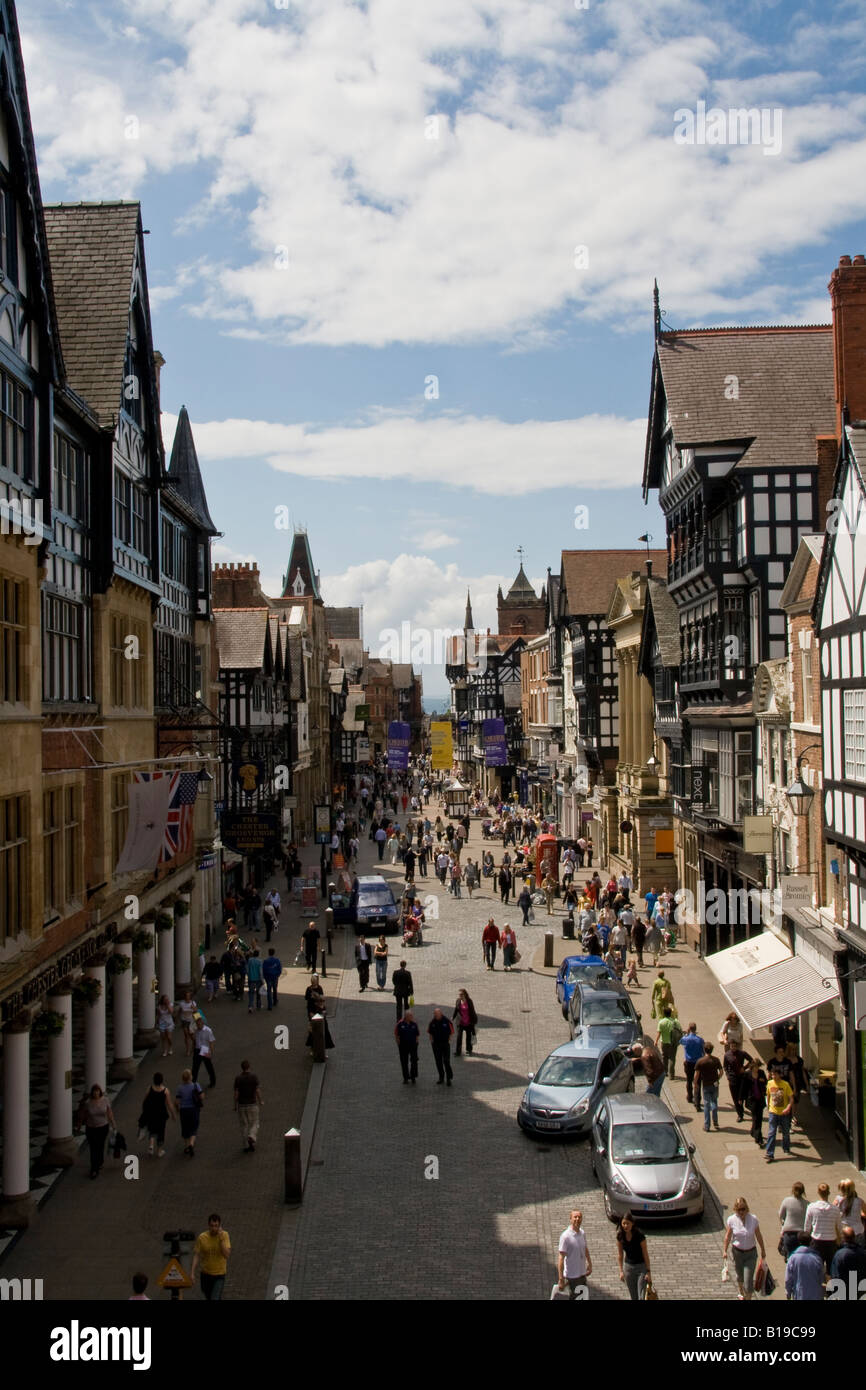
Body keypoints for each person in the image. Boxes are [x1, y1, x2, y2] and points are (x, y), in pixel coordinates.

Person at [722, 1197, 766, 1301]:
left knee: (748, 1280)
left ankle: (748, 1297)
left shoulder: (753, 1219)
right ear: (735, 1209)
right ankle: (741, 1291)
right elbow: (728, 1236)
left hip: (750, 1253)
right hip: (737, 1253)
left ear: (747, 1208)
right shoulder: (732, 1220)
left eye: (743, 1209)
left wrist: (763, 1249)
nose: (741, 1212)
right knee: (740, 1276)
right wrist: (724, 1250)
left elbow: (758, 1235)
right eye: (739, 1209)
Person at [77, 1083, 115, 1180]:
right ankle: (94, 1169)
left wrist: (113, 1123)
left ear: (100, 1092)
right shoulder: (88, 1103)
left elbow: (109, 1113)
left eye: (97, 1091)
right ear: (92, 1093)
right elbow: (83, 1114)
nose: (96, 1093)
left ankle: (100, 1161)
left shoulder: (105, 1100)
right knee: (93, 1148)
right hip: (91, 1128)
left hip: (103, 1127)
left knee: (100, 1145)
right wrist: (79, 1124)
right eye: (94, 1091)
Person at [191, 1214, 231, 1301]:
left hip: (219, 1275)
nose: (214, 1228)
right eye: (212, 1226)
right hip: (206, 1275)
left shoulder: (224, 1235)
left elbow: (227, 1255)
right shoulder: (202, 1237)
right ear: (208, 1225)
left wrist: (221, 1240)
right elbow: (197, 1255)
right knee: (209, 1297)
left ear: (220, 1226)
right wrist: (192, 1273)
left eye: (216, 1226)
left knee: (214, 1298)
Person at [804, 1182, 843, 1272]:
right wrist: (840, 1240)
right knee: (831, 1268)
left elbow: (807, 1227)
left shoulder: (811, 1207)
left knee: (817, 1268)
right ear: (828, 1193)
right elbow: (839, 1227)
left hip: (817, 1240)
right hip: (831, 1242)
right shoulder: (835, 1209)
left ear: (818, 1192)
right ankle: (830, 1283)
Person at [557, 1209, 592, 1300]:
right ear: (570, 1219)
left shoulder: (582, 1233)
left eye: (579, 1217)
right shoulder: (565, 1236)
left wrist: (590, 1263)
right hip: (572, 1276)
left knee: (583, 1297)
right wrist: (561, 1279)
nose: (577, 1219)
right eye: (575, 1217)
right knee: (574, 1297)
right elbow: (561, 1258)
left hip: (582, 1273)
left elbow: (585, 1248)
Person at [140, 1071, 176, 1158]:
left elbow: (145, 1100)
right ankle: (159, 1151)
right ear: (162, 1080)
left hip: (151, 1112)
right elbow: (169, 1104)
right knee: (161, 1131)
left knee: (152, 1129)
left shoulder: (150, 1088)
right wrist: (173, 1114)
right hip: (161, 1114)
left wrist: (144, 1110)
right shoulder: (165, 1091)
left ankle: (151, 1146)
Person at [616, 1215, 651, 1301]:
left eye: (627, 1223)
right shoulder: (620, 1236)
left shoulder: (639, 1235)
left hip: (641, 1267)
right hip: (628, 1268)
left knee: (641, 1296)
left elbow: (645, 1253)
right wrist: (621, 1271)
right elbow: (620, 1255)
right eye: (623, 1223)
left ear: (632, 1223)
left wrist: (648, 1272)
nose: (625, 1226)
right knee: (633, 1296)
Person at [784, 1234, 826, 1301]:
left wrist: (788, 1292)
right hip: (816, 1295)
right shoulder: (817, 1259)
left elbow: (788, 1279)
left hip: (800, 1294)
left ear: (799, 1243)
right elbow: (821, 1278)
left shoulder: (793, 1258)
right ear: (810, 1243)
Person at [234, 1059, 263, 1154]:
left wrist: (235, 1105)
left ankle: (246, 1145)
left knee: (244, 1125)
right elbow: (257, 1090)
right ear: (249, 1067)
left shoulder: (238, 1078)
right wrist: (260, 1100)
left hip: (242, 1105)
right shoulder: (254, 1077)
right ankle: (252, 1136)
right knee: (255, 1123)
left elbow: (236, 1093)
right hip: (252, 1103)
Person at [739, 1056, 768, 1148]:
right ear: (752, 1066)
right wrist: (740, 1098)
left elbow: (766, 1082)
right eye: (755, 1066)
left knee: (758, 1118)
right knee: (756, 1118)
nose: (756, 1068)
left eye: (758, 1066)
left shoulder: (761, 1073)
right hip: (752, 1099)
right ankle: (759, 1138)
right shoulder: (747, 1074)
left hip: (760, 1099)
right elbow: (743, 1087)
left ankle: (753, 1131)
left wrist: (762, 1081)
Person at [765, 1072, 794, 1162]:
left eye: (775, 1074)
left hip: (784, 1113)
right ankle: (769, 1154)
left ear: (779, 1075)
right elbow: (768, 1095)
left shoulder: (785, 1084)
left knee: (785, 1132)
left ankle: (786, 1147)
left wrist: (788, 1108)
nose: (773, 1076)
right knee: (771, 1133)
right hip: (773, 1113)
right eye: (772, 1075)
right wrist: (769, 1107)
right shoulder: (770, 1083)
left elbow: (791, 1098)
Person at [694, 1042, 723, 1131]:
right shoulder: (716, 1060)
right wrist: (717, 1078)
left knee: (706, 1105)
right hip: (715, 1084)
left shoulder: (700, 1061)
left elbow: (697, 1075)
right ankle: (716, 1122)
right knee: (714, 1101)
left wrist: (695, 1084)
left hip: (706, 1085)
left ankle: (707, 1125)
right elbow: (721, 1072)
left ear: (704, 1050)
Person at [176, 1067, 204, 1157]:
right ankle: (192, 1143)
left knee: (185, 1128)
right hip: (194, 1109)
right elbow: (202, 1096)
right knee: (194, 1127)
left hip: (184, 1110)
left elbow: (177, 1101)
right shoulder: (196, 1085)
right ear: (190, 1077)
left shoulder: (180, 1088)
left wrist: (177, 1108)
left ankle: (187, 1146)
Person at [778, 1182, 808, 1262]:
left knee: (790, 1258)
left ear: (792, 1190)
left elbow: (780, 1215)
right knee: (801, 1259)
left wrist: (783, 1223)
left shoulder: (786, 1201)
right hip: (801, 1235)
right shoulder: (807, 1204)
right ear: (803, 1192)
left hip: (789, 1234)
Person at [723, 1043, 752, 1122]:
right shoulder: (727, 1055)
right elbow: (725, 1066)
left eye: (735, 1046)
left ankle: (744, 1106)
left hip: (742, 1077)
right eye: (732, 1046)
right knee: (735, 1097)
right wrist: (728, 1075)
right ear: (730, 1046)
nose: (733, 1048)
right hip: (733, 1078)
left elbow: (751, 1060)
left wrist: (744, 1068)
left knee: (743, 1095)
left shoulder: (742, 1053)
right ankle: (740, 1114)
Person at [679, 1023, 705, 1106]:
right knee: (697, 1082)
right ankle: (697, 1099)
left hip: (689, 1062)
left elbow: (680, 1041)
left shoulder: (686, 1039)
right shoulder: (700, 1039)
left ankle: (690, 1096)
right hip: (698, 1062)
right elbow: (703, 1051)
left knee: (689, 1080)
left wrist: (686, 1034)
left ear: (689, 1028)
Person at [834, 1179, 866, 1243]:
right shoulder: (860, 1201)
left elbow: (833, 1211)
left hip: (843, 1230)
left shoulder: (838, 1199)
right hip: (857, 1231)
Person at [428, 1007, 454, 1085]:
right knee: (438, 1061)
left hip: (445, 1044)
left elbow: (452, 1032)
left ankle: (449, 1078)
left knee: (446, 1061)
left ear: (441, 1014)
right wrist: (432, 1042)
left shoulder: (446, 1021)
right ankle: (441, 1077)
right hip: (436, 1044)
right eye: (435, 1015)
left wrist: (449, 1040)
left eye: (437, 1015)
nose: (436, 1016)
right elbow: (430, 1032)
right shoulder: (432, 1022)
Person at [654, 1006, 680, 1079]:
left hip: (664, 1042)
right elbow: (680, 1031)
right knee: (672, 1058)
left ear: (664, 1013)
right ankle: (671, 1075)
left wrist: (656, 1041)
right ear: (671, 1013)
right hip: (673, 1042)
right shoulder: (675, 1021)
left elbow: (659, 1033)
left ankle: (665, 1072)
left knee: (664, 1057)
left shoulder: (661, 1022)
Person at [395, 1010, 420, 1083]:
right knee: (404, 1061)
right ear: (406, 1016)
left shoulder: (414, 1024)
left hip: (413, 1045)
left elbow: (417, 1034)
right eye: (410, 1016)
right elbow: (396, 1034)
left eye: (412, 1016)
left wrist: (417, 1043)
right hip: (403, 1045)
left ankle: (413, 1076)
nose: (412, 1017)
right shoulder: (400, 1024)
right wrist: (398, 1043)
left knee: (414, 1061)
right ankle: (405, 1077)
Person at [192, 1016, 216, 1089]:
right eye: (197, 1024)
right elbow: (194, 1040)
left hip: (205, 1049)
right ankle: (193, 1082)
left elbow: (211, 1041)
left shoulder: (208, 1030)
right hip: (197, 1049)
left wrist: (211, 1052)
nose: (198, 1025)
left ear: (202, 1023)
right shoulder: (196, 1030)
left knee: (209, 1067)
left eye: (199, 1024)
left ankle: (213, 1081)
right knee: (195, 1068)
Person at [453, 989, 478, 1055]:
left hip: (468, 1022)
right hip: (460, 1022)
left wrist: (474, 1021)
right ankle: (458, 1052)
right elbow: (456, 1009)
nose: (460, 996)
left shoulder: (469, 1001)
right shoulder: (458, 1001)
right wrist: (453, 1017)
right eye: (459, 995)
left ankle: (469, 1050)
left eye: (461, 994)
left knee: (468, 1037)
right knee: (459, 1037)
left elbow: (472, 1011)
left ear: (465, 994)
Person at [177, 990, 197, 1055]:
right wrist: (177, 1019)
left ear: (190, 997)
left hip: (191, 1021)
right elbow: (179, 1011)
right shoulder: (181, 1003)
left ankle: (194, 1043)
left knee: (192, 1036)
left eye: (188, 996)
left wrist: (194, 1008)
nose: (187, 997)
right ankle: (188, 1050)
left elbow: (196, 1012)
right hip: (184, 1021)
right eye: (186, 996)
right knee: (186, 1035)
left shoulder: (193, 1003)